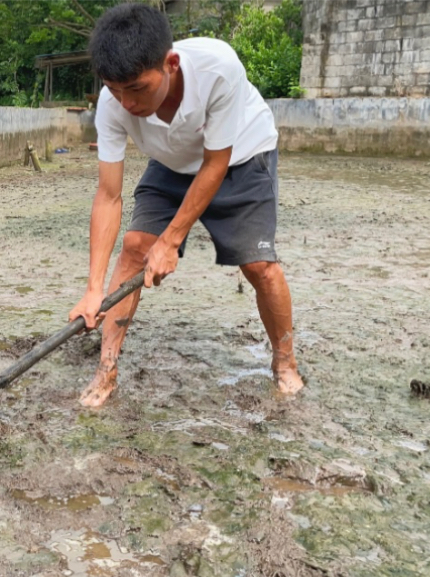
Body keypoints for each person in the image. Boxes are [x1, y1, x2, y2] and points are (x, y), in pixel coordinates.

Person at [69, 3, 304, 408]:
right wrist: (93, 290)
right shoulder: (113, 104)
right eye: (114, 89)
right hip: (173, 161)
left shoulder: (218, 69)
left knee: (258, 266)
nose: (125, 103)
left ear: (171, 64)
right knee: (135, 247)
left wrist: (172, 239)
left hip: (241, 154)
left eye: (137, 89)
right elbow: (108, 195)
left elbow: (215, 164)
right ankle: (106, 368)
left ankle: (285, 361)